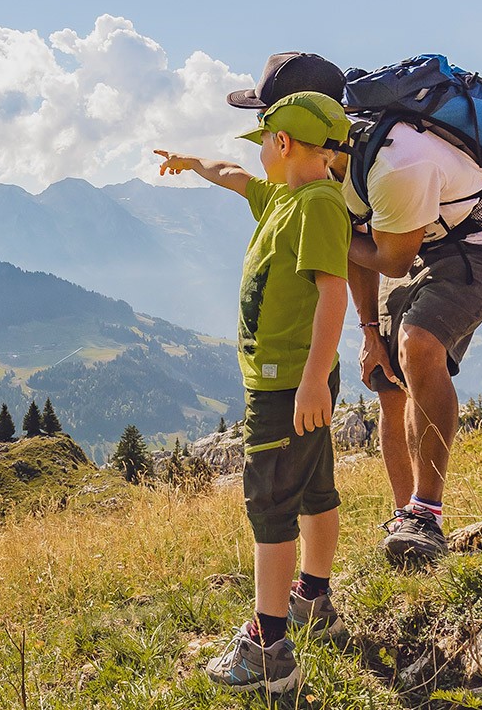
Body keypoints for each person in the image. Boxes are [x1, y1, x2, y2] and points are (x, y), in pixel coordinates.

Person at [237, 52, 482, 565]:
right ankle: (406, 521)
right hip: (415, 238)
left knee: (419, 345)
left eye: (269, 121)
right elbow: (362, 242)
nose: (265, 134)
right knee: (387, 375)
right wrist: (369, 332)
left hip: (481, 245)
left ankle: (427, 514)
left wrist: (328, 239)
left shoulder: (396, 161)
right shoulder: (332, 166)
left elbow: (389, 258)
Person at [153, 89, 352, 694]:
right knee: (315, 488)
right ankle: (313, 598)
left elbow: (332, 292)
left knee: (269, 504)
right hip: (297, 380)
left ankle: (269, 647)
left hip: (288, 385)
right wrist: (191, 162)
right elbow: (234, 174)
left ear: (283, 143)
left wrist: (313, 378)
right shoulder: (285, 196)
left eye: (264, 139)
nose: (257, 152)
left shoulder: (317, 204)